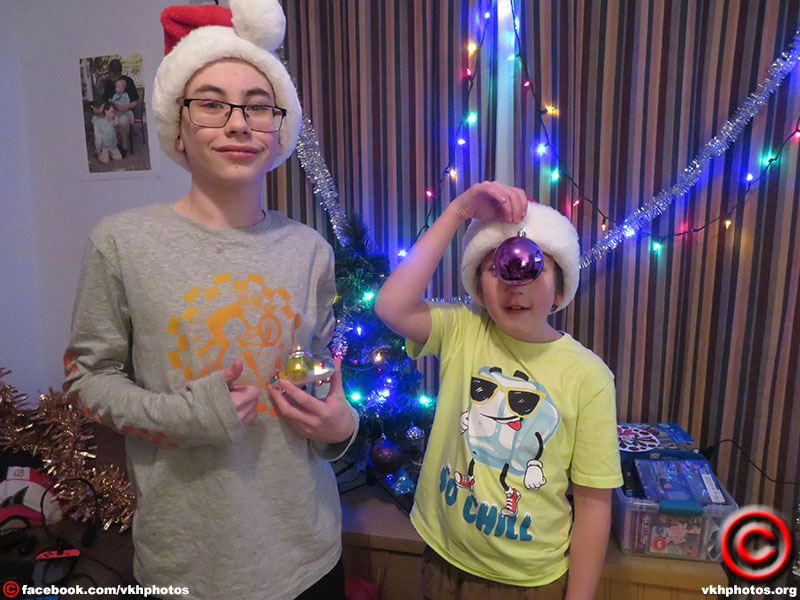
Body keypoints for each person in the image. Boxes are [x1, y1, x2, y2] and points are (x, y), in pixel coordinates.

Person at [63, 1, 359, 599]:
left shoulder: (309, 250)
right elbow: (86, 380)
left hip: (309, 552)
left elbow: (318, 376)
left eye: (258, 105)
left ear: (279, 129)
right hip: (191, 565)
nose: (238, 123)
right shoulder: (121, 243)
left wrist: (340, 424)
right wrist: (184, 416)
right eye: (211, 104)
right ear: (178, 125)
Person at [375, 182, 623, 599]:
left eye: (533, 268)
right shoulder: (464, 329)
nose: (514, 284)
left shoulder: (588, 377)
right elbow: (390, 306)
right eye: (497, 268)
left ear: (561, 287)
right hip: (444, 561)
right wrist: (458, 211)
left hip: (529, 582)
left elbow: (594, 503)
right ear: (477, 286)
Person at [91, 58, 139, 156]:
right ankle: (105, 146)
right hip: (111, 113)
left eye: (114, 76)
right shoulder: (108, 83)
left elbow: (135, 102)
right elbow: (106, 102)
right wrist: (99, 110)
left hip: (124, 113)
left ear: (120, 73)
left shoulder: (128, 81)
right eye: (111, 75)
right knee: (95, 120)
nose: (112, 79)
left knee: (123, 121)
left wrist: (123, 107)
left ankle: (124, 147)